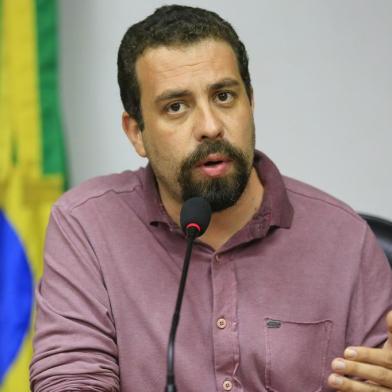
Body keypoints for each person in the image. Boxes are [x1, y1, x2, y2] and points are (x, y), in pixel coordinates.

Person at [30, 5, 392, 392]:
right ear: (136, 132)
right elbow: (69, 380)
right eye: (176, 107)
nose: (210, 126)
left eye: (223, 96)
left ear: (250, 103)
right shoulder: (89, 224)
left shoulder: (343, 238)